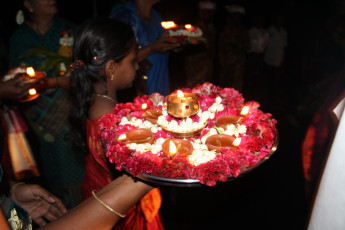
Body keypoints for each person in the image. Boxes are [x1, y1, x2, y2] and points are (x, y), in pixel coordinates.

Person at [68, 17, 164, 229]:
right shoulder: (111, 122)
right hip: (121, 210)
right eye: (132, 61)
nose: (138, 66)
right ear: (111, 68)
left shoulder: (95, 101)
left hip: (98, 197)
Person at [8, 0, 85, 210]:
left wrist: (74, 74)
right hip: (39, 119)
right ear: (29, 5)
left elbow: (84, 61)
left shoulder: (69, 29)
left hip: (70, 113)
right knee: (54, 170)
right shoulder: (20, 38)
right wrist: (53, 82)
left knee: (77, 166)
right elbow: (12, 80)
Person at [109, 0, 180, 97]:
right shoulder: (124, 16)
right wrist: (152, 48)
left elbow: (162, 43)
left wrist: (175, 44)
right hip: (136, 87)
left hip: (160, 83)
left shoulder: (156, 16)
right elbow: (117, 58)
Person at [183, 0, 217, 88]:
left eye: (209, 13)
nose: (207, 15)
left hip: (208, 69)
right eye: (204, 12)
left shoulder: (213, 29)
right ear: (200, 13)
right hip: (195, 69)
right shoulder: (194, 30)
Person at [217, 4, 250, 92]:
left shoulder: (243, 30)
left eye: (238, 16)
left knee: (236, 89)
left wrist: (237, 46)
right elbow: (221, 46)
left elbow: (248, 46)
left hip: (238, 66)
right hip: (226, 65)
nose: (236, 17)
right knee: (224, 89)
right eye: (234, 15)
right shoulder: (225, 29)